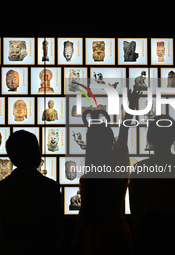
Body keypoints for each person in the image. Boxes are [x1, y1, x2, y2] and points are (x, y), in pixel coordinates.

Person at [71, 89, 141, 255]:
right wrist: (132, 104)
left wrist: (75, 241)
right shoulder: (119, 158)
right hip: (120, 229)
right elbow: (124, 131)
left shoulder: (92, 173)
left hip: (95, 233)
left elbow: (85, 213)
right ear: (111, 140)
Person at [129, 115, 175, 255]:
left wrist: (140, 237)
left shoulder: (141, 168)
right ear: (174, 137)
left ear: (149, 138)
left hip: (150, 232)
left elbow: (136, 210)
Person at [0, 130, 64, 255]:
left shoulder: (0, 189)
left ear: (11, 157)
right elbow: (59, 228)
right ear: (37, 154)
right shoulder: (51, 187)